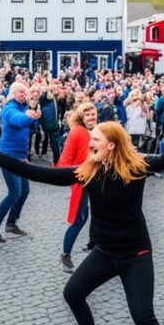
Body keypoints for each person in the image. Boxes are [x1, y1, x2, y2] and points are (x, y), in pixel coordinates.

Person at [0, 110, 164, 325]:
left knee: (142, 315)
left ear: (111, 144)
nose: (89, 143)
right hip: (105, 251)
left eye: (94, 139)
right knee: (72, 293)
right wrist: (0, 158)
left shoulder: (136, 166)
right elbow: (44, 174)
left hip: (136, 253)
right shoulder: (89, 170)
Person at [0, 82, 40, 242]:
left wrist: (32, 113)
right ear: (12, 93)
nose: (23, 94)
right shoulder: (10, 108)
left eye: (24, 92)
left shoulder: (23, 107)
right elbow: (19, 121)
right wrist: (29, 116)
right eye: (20, 92)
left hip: (20, 155)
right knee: (14, 193)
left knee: (24, 191)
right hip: (8, 156)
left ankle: (11, 223)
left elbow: (31, 123)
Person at [57, 102, 97, 273]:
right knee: (79, 218)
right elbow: (64, 161)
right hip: (82, 181)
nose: (91, 117)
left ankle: (97, 247)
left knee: (100, 215)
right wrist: (71, 179)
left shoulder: (100, 131)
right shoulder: (77, 132)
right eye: (87, 115)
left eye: (93, 114)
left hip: (99, 180)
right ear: (81, 117)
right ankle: (66, 254)